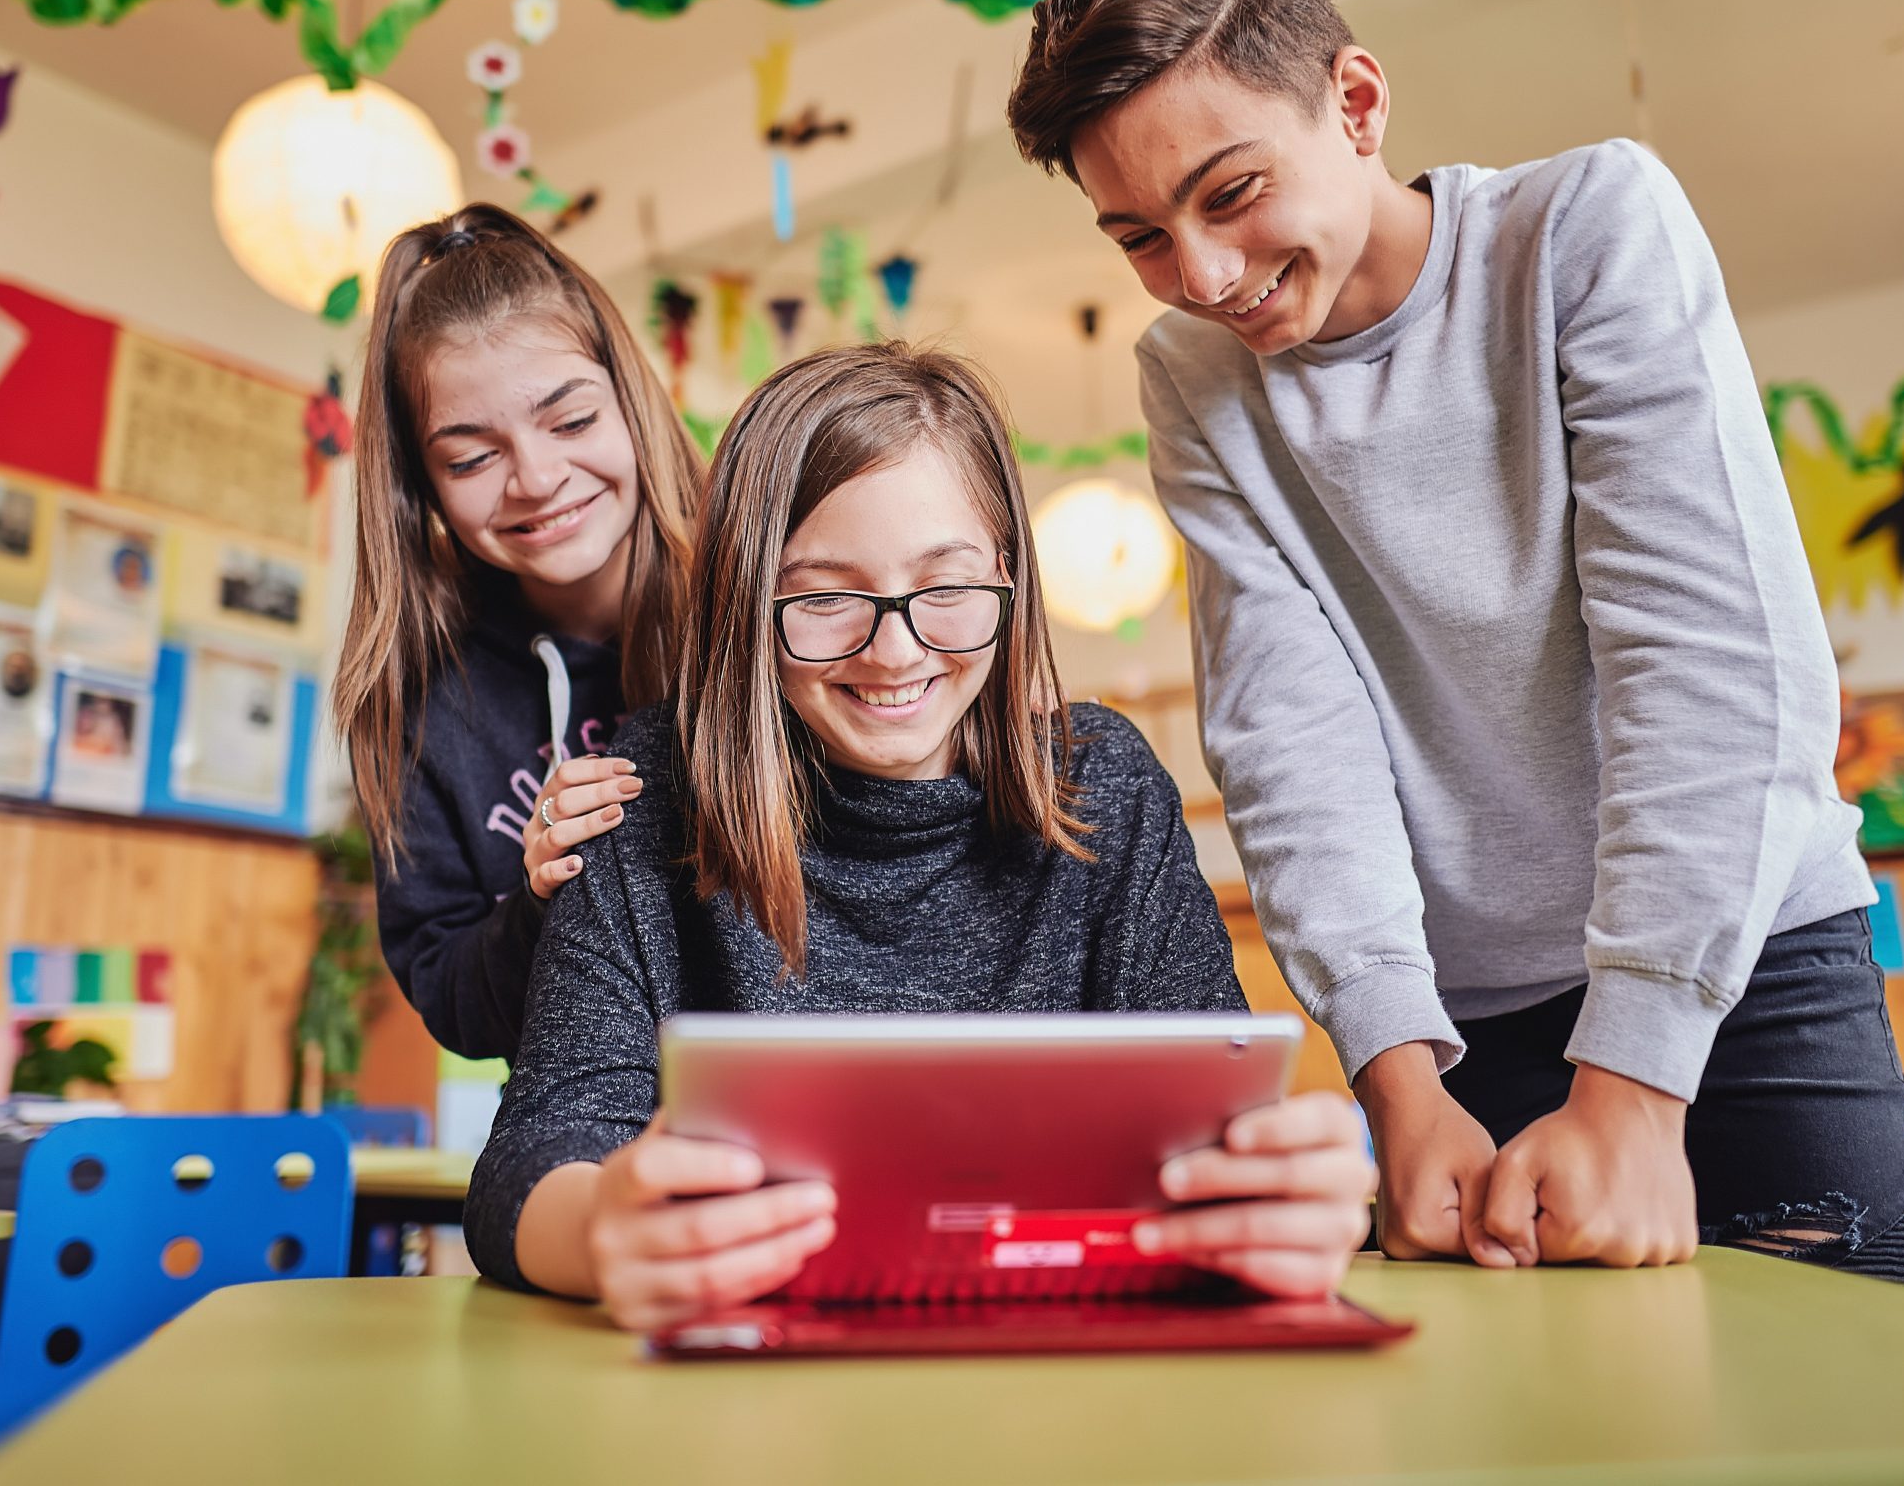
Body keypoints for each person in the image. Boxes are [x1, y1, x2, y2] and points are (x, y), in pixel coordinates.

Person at [1004, 0, 1904, 1284]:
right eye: (1138, 234)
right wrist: (1394, 1071)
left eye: (1231, 191)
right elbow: (1288, 737)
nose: (1197, 272)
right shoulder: (1193, 378)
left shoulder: (1584, 231)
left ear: (1359, 105)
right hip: (1458, 1028)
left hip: (1737, 972)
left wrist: (1631, 1081)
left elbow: (1708, 659)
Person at [467, 343, 1373, 1330]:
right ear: (743, 602)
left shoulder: (1107, 785)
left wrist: (1280, 1191)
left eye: (945, 587)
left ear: (1006, 574)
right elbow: (532, 1158)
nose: (895, 651)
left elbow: (1221, 1122)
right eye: (822, 598)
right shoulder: (638, 801)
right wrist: (606, 1223)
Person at [333, 205, 703, 1061]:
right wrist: (543, 898)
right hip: (575, 1112)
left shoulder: (762, 592)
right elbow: (457, 1006)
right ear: (420, 487)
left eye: (571, 421)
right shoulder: (416, 696)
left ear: (633, 404)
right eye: (469, 458)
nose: (538, 478)